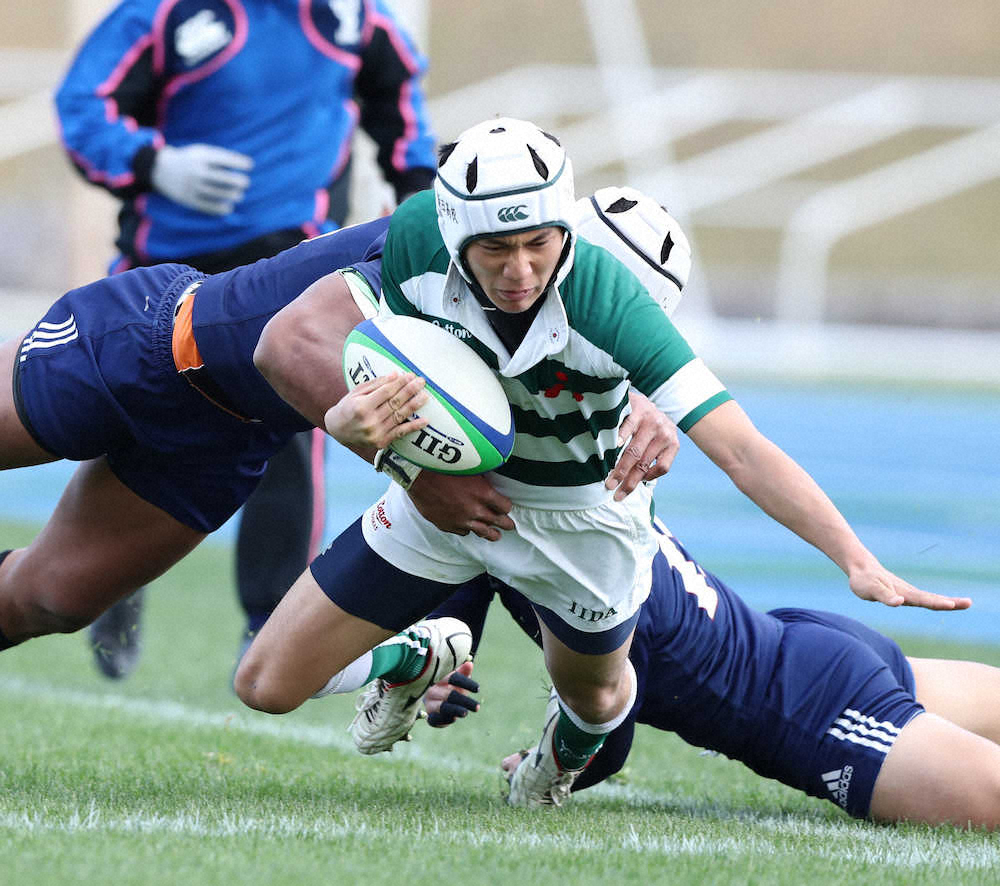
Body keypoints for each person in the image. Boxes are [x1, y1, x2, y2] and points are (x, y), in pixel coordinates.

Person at [233, 117, 968, 808]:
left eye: (540, 244)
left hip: (582, 527)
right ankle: (415, 657)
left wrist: (854, 557)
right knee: (263, 684)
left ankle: (560, 753)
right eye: (496, 247)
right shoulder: (418, 238)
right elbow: (307, 350)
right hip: (454, 505)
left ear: (568, 230)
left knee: (598, 703)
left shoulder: (608, 300)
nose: (519, 270)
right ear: (455, 230)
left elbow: (740, 447)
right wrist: (373, 441)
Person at [0, 194, 676, 667]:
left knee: (51, 599)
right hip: (151, 345)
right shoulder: (456, 259)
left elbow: (492, 503)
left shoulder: (550, 336)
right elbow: (286, 346)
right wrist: (417, 475)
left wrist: (645, 395)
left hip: (232, 438)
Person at [53, 0, 438, 678]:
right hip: (161, 274)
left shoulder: (356, 21)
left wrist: (420, 219)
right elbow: (82, 107)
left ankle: (267, 626)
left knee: (289, 441)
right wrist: (152, 163)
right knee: (124, 431)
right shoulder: (160, 14)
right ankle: (108, 591)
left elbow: (405, 123)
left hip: (295, 276)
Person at [419, 520, 1000, 830]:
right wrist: (437, 672)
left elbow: (605, 733)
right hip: (801, 642)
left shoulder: (584, 565)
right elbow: (467, 579)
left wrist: (543, 765)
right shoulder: (556, 501)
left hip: (815, 711)